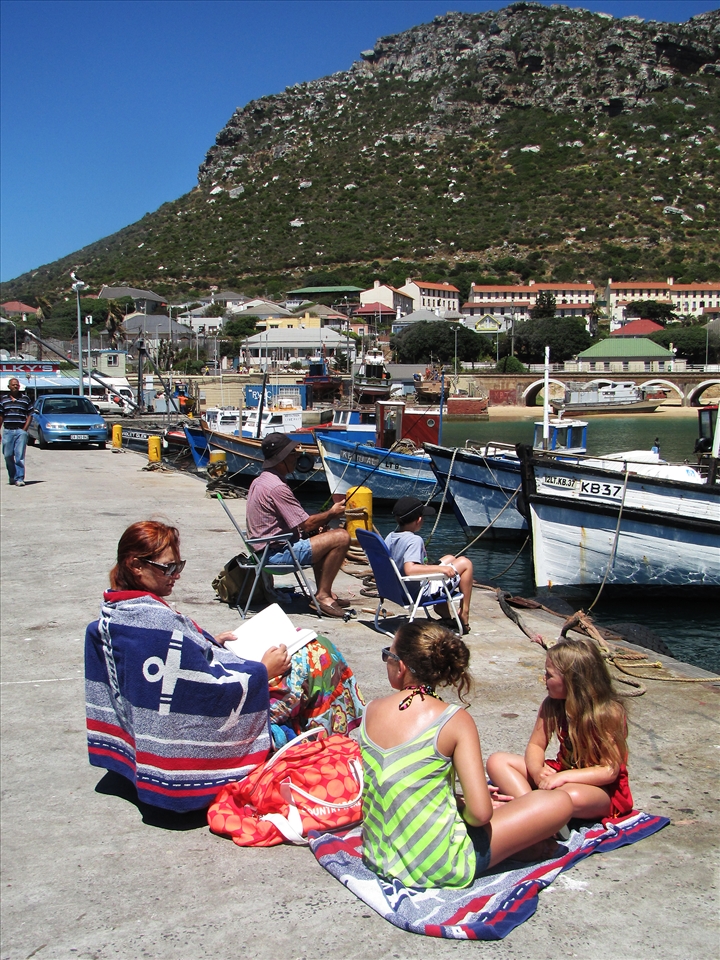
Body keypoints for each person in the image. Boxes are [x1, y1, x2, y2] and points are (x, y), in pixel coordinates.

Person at [85, 520, 364, 812]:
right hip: (208, 730)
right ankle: (322, 747)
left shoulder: (117, 614)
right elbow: (205, 693)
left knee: (305, 650)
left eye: (178, 566)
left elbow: (176, 665)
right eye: (168, 568)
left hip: (165, 720)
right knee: (319, 656)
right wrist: (262, 671)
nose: (176, 576)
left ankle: (313, 740)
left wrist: (206, 643)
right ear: (136, 565)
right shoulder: (158, 623)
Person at [360, 622, 573, 889]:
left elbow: (399, 783)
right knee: (559, 802)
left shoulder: (369, 711)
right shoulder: (454, 720)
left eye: (387, 655)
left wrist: (456, 801)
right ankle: (522, 847)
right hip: (437, 865)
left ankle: (520, 846)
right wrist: (465, 806)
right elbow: (480, 815)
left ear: (401, 666)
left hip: (379, 855)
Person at [486, 637, 633, 820]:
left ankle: (533, 811)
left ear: (572, 681)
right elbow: (536, 746)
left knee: (568, 795)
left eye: (549, 675)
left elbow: (609, 771)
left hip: (599, 789)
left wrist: (563, 778)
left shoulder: (609, 713)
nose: (543, 679)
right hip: (562, 772)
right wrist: (537, 771)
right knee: (497, 761)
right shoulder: (552, 704)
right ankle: (535, 811)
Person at [246, 432, 351, 618]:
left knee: (324, 534)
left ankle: (325, 591)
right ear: (282, 459)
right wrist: (332, 513)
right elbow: (306, 524)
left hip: (262, 552)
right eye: (292, 453)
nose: (297, 457)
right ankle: (323, 596)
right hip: (276, 555)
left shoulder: (259, 480)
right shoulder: (277, 487)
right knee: (342, 537)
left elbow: (298, 525)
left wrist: (320, 524)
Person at [385, 495, 473, 634]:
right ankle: (464, 613)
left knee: (449, 558)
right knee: (465, 563)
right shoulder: (414, 540)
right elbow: (410, 569)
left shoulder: (391, 536)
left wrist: (440, 565)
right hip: (419, 593)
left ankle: (443, 611)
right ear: (419, 520)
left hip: (399, 590)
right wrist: (440, 569)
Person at [0, 377, 33, 486]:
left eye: (17, 385)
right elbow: (1, 416)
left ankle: (19, 478)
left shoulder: (25, 399)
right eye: (13, 385)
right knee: (7, 455)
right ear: (9, 387)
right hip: (8, 431)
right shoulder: (3, 400)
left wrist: (24, 430)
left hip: (20, 431)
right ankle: (12, 476)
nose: (15, 386)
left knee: (19, 456)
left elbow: (30, 415)